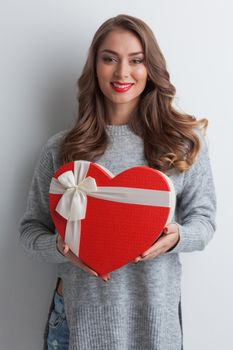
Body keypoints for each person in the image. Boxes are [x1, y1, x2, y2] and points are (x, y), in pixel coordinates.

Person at [19, 14, 216, 350]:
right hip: (78, 321)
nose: (122, 73)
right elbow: (30, 232)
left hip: (156, 321)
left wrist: (176, 236)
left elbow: (205, 220)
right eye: (109, 59)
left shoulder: (181, 143)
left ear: (150, 68)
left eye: (136, 61)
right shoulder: (62, 149)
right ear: (95, 67)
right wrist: (61, 248)